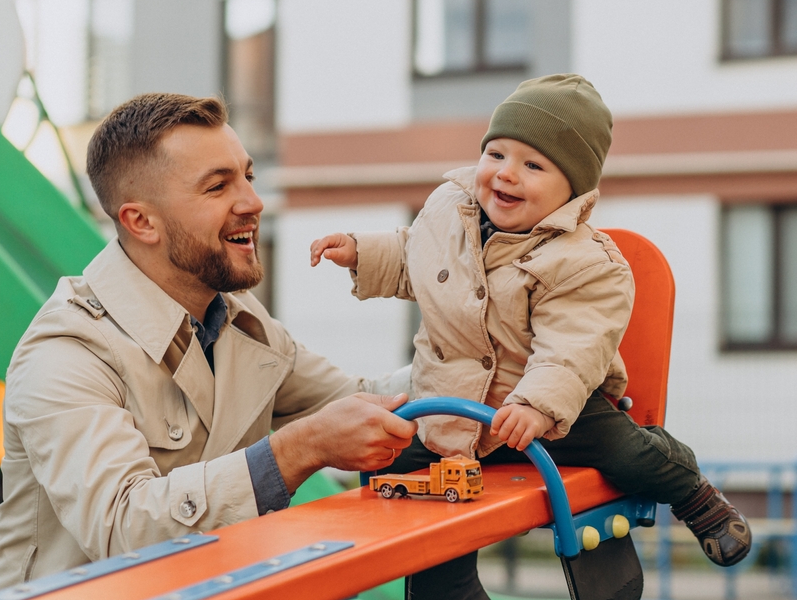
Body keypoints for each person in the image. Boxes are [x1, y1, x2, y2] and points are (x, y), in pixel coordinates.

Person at [0, 93, 423, 600]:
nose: (252, 201)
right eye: (218, 187)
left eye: (247, 175)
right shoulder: (67, 352)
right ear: (140, 221)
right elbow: (124, 529)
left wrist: (496, 358)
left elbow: (366, 401)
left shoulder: (240, 320)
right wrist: (299, 450)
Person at [310, 74, 751, 568]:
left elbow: (572, 349)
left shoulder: (585, 263)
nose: (506, 174)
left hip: (553, 408)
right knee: (393, 459)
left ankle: (694, 494)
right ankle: (363, 544)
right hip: (452, 403)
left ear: (572, 190)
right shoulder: (447, 211)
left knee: (626, 454)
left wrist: (539, 405)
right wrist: (361, 253)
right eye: (496, 154)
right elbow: (416, 254)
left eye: (533, 164)